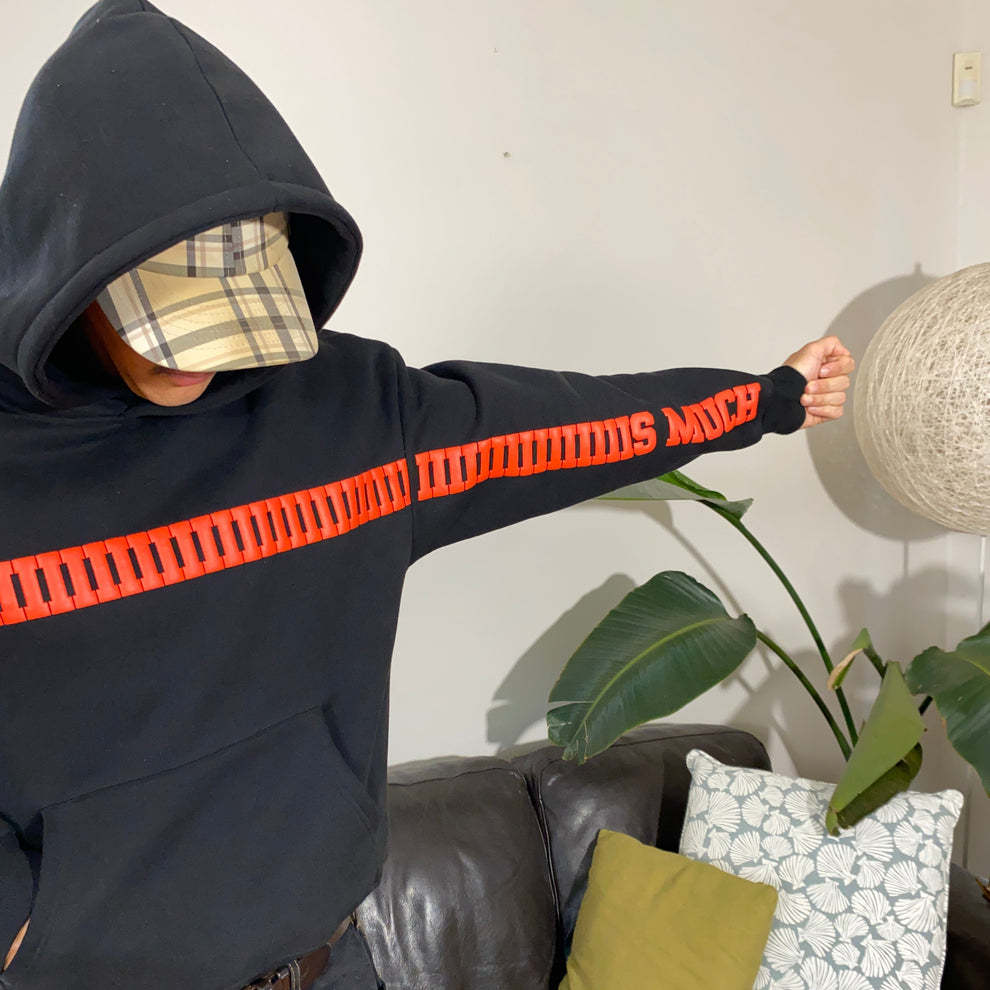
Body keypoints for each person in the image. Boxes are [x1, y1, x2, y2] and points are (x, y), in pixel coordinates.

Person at [0, 2, 853, 989]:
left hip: (328, 965)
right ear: (62, 265)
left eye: (236, 312)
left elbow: (568, 427)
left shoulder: (351, 418)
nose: (202, 358)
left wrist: (765, 399)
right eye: (170, 317)